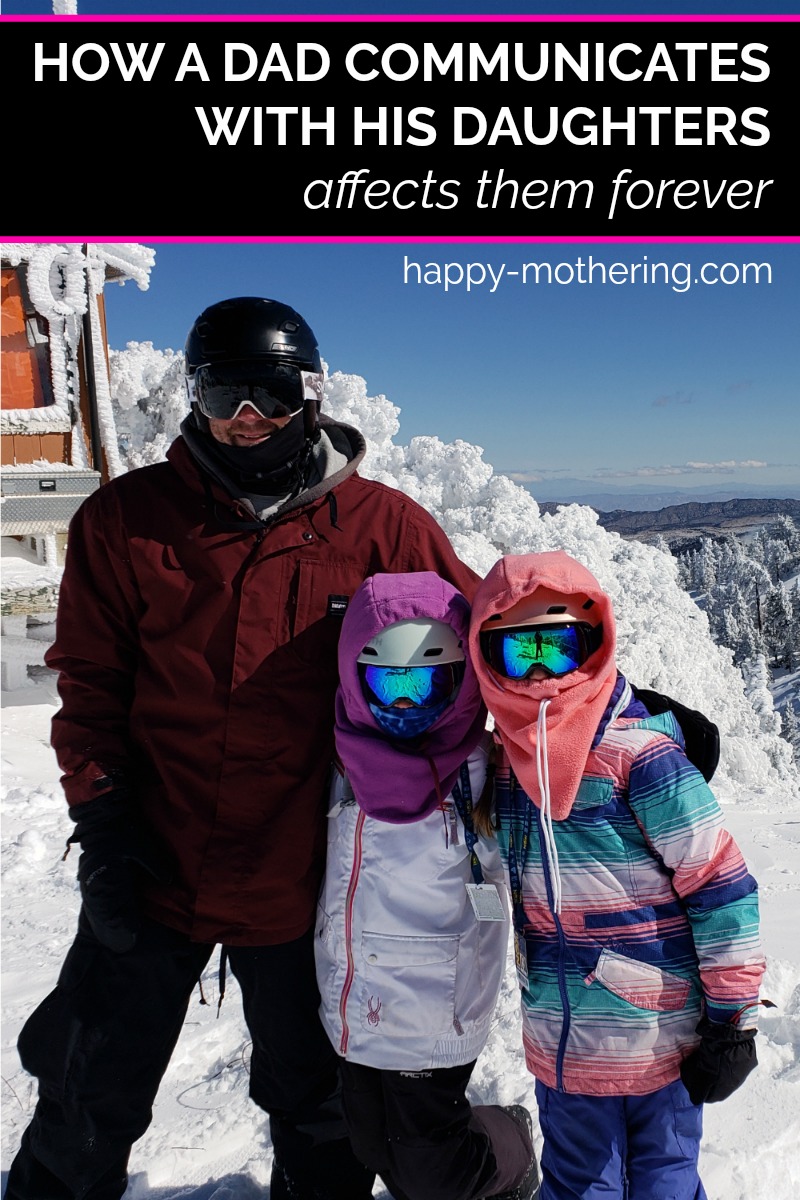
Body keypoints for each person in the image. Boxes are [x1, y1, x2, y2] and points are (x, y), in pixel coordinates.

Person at [5, 296, 479, 1200]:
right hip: (154, 856)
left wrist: (617, 718)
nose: (245, 418)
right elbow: (91, 689)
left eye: (266, 392)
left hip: (310, 873)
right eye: (224, 394)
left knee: (322, 1110)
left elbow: (474, 665)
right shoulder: (127, 522)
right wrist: (102, 824)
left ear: (309, 393)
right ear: (194, 397)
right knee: (87, 1093)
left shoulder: (385, 529)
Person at [468, 549, 768, 1200]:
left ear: (595, 641)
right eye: (521, 652)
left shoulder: (641, 760)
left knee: (664, 1184)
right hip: (564, 1049)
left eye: (560, 646)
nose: (544, 670)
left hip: (661, 1041)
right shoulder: (502, 769)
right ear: (487, 659)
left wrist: (731, 1021)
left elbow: (723, 890)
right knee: (578, 1188)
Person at [314, 570, 541, 1200]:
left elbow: (571, 725)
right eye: (391, 681)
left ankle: (509, 1151)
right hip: (356, 997)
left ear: (462, 679)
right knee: (367, 1140)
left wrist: (663, 725)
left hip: (437, 1000)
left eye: (428, 681)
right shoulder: (339, 754)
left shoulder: (489, 764)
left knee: (428, 1169)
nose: (407, 705)